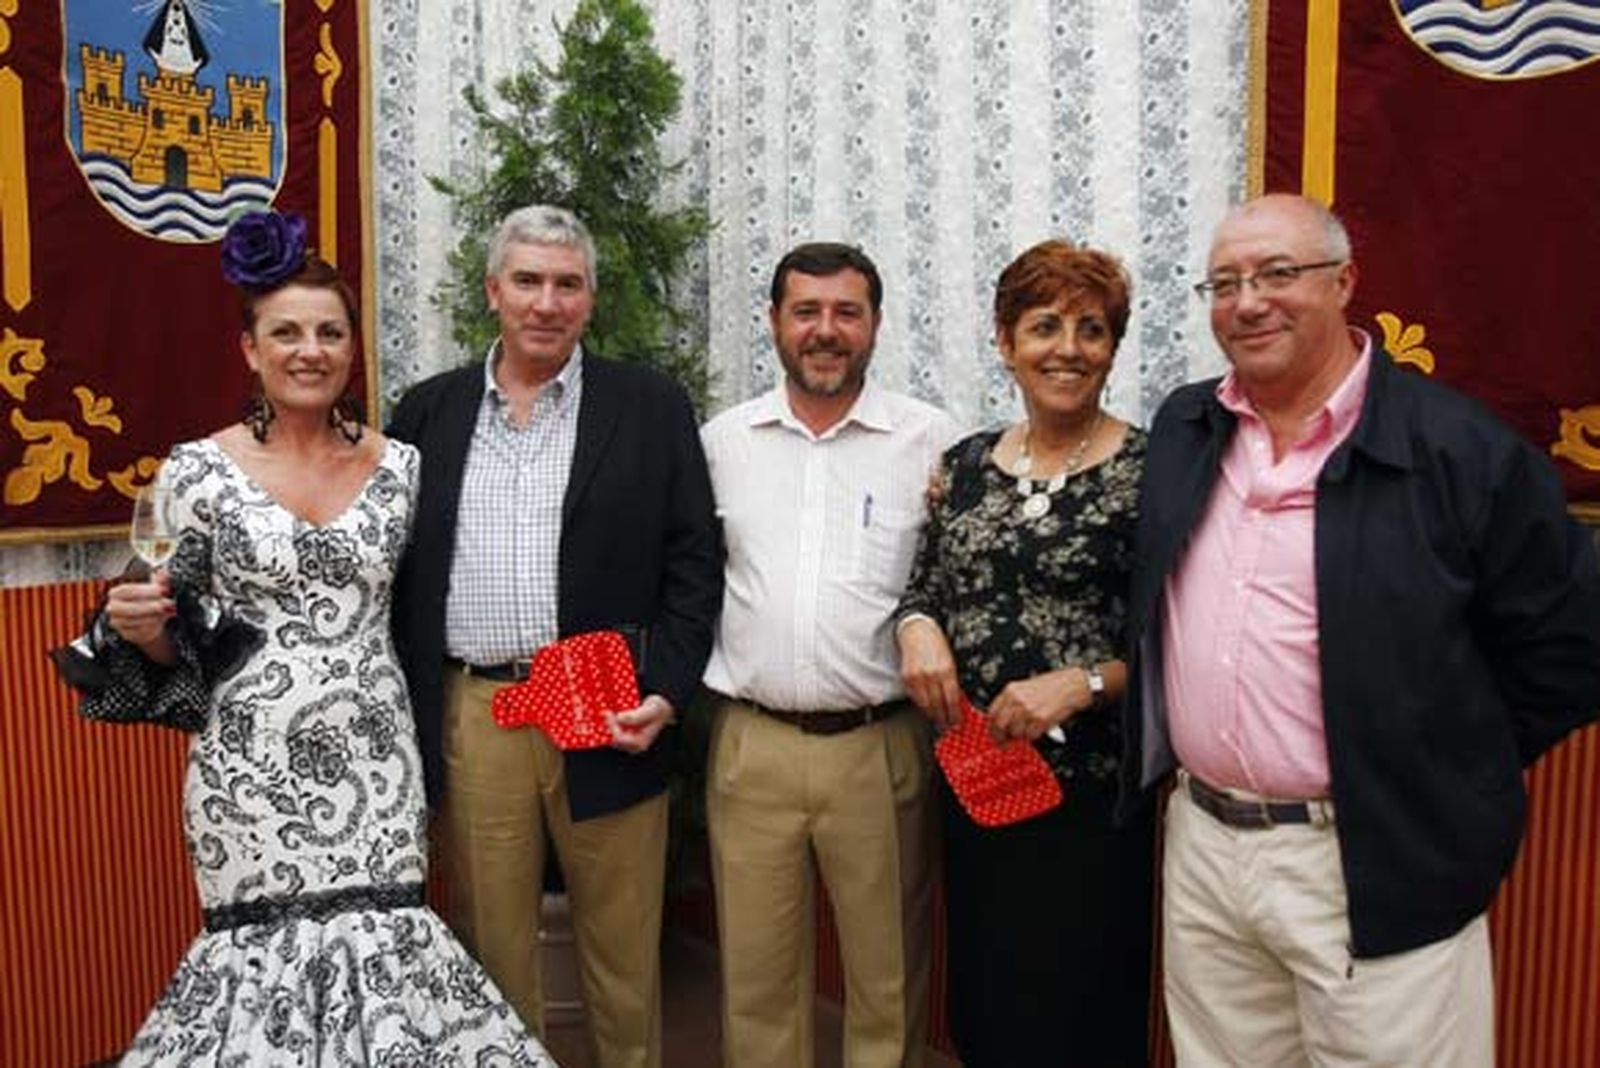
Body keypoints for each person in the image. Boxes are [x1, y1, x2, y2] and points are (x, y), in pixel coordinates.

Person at [1123, 193, 1600, 1066]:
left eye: (1278, 274)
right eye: (1224, 283)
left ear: (1345, 283)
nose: (1248, 301)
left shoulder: (1457, 450)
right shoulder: (1188, 428)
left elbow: (1572, 645)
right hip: (1203, 847)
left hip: (1373, 853)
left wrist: (1441, 765)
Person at [100, 210, 555, 1064]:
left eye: (329, 332)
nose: (309, 350)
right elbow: (165, 631)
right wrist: (144, 629)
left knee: (387, 953)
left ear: (352, 348)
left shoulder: (403, 469)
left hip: (377, 758)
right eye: (287, 333)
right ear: (251, 349)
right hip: (248, 763)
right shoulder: (196, 471)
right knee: (259, 966)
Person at [387, 205, 721, 1068]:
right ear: (494, 291)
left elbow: (695, 561)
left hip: (609, 705)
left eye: (566, 284)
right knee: (492, 951)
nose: (546, 302)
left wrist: (669, 689)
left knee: (623, 956)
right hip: (477, 709)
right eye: (527, 281)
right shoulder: (428, 413)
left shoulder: (649, 407)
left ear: (590, 299)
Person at [895, 239, 1155, 1067]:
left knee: (1081, 1009)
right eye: (1044, 326)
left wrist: (1083, 682)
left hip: (1091, 801)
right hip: (977, 781)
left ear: (1113, 347)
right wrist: (917, 627)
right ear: (1005, 342)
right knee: (989, 1001)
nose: (1068, 349)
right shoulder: (966, 465)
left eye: (1091, 330)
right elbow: (921, 588)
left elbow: (1187, 644)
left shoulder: (1154, 471)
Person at [699, 242, 960, 1068]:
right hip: (752, 745)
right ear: (775, 323)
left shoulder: (932, 443)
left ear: (875, 325)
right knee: (757, 977)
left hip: (879, 749)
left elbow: (958, 581)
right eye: (806, 311)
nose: (826, 330)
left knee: (888, 981)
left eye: (846, 312)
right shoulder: (721, 444)